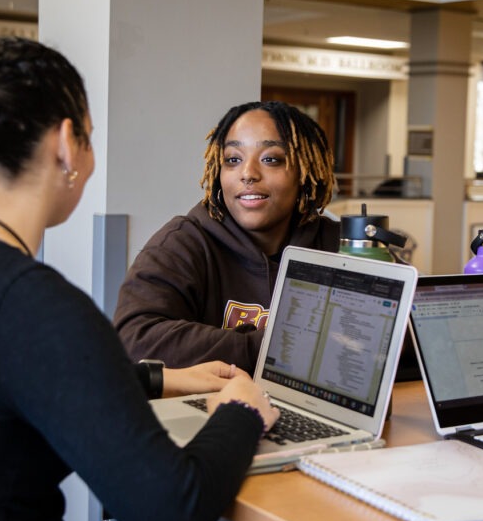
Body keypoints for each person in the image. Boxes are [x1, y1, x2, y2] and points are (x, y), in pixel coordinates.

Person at [0, 37, 279, 521]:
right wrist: (241, 412)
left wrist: (157, 379)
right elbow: (172, 508)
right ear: (67, 144)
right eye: (90, 137)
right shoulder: (33, 305)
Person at [114, 101, 339, 370]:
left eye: (271, 159)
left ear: (306, 171)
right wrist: (277, 349)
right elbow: (134, 342)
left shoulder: (338, 245)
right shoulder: (182, 243)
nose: (248, 174)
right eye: (233, 160)